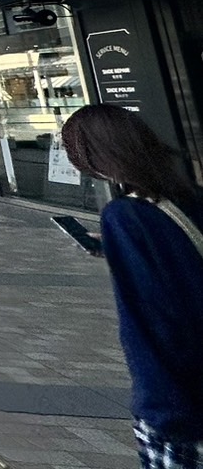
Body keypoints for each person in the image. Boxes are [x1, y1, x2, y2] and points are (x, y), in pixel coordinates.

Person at [61, 104, 203, 467]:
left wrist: (162, 410)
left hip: (182, 401)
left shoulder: (125, 215)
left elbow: (151, 318)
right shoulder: (189, 197)